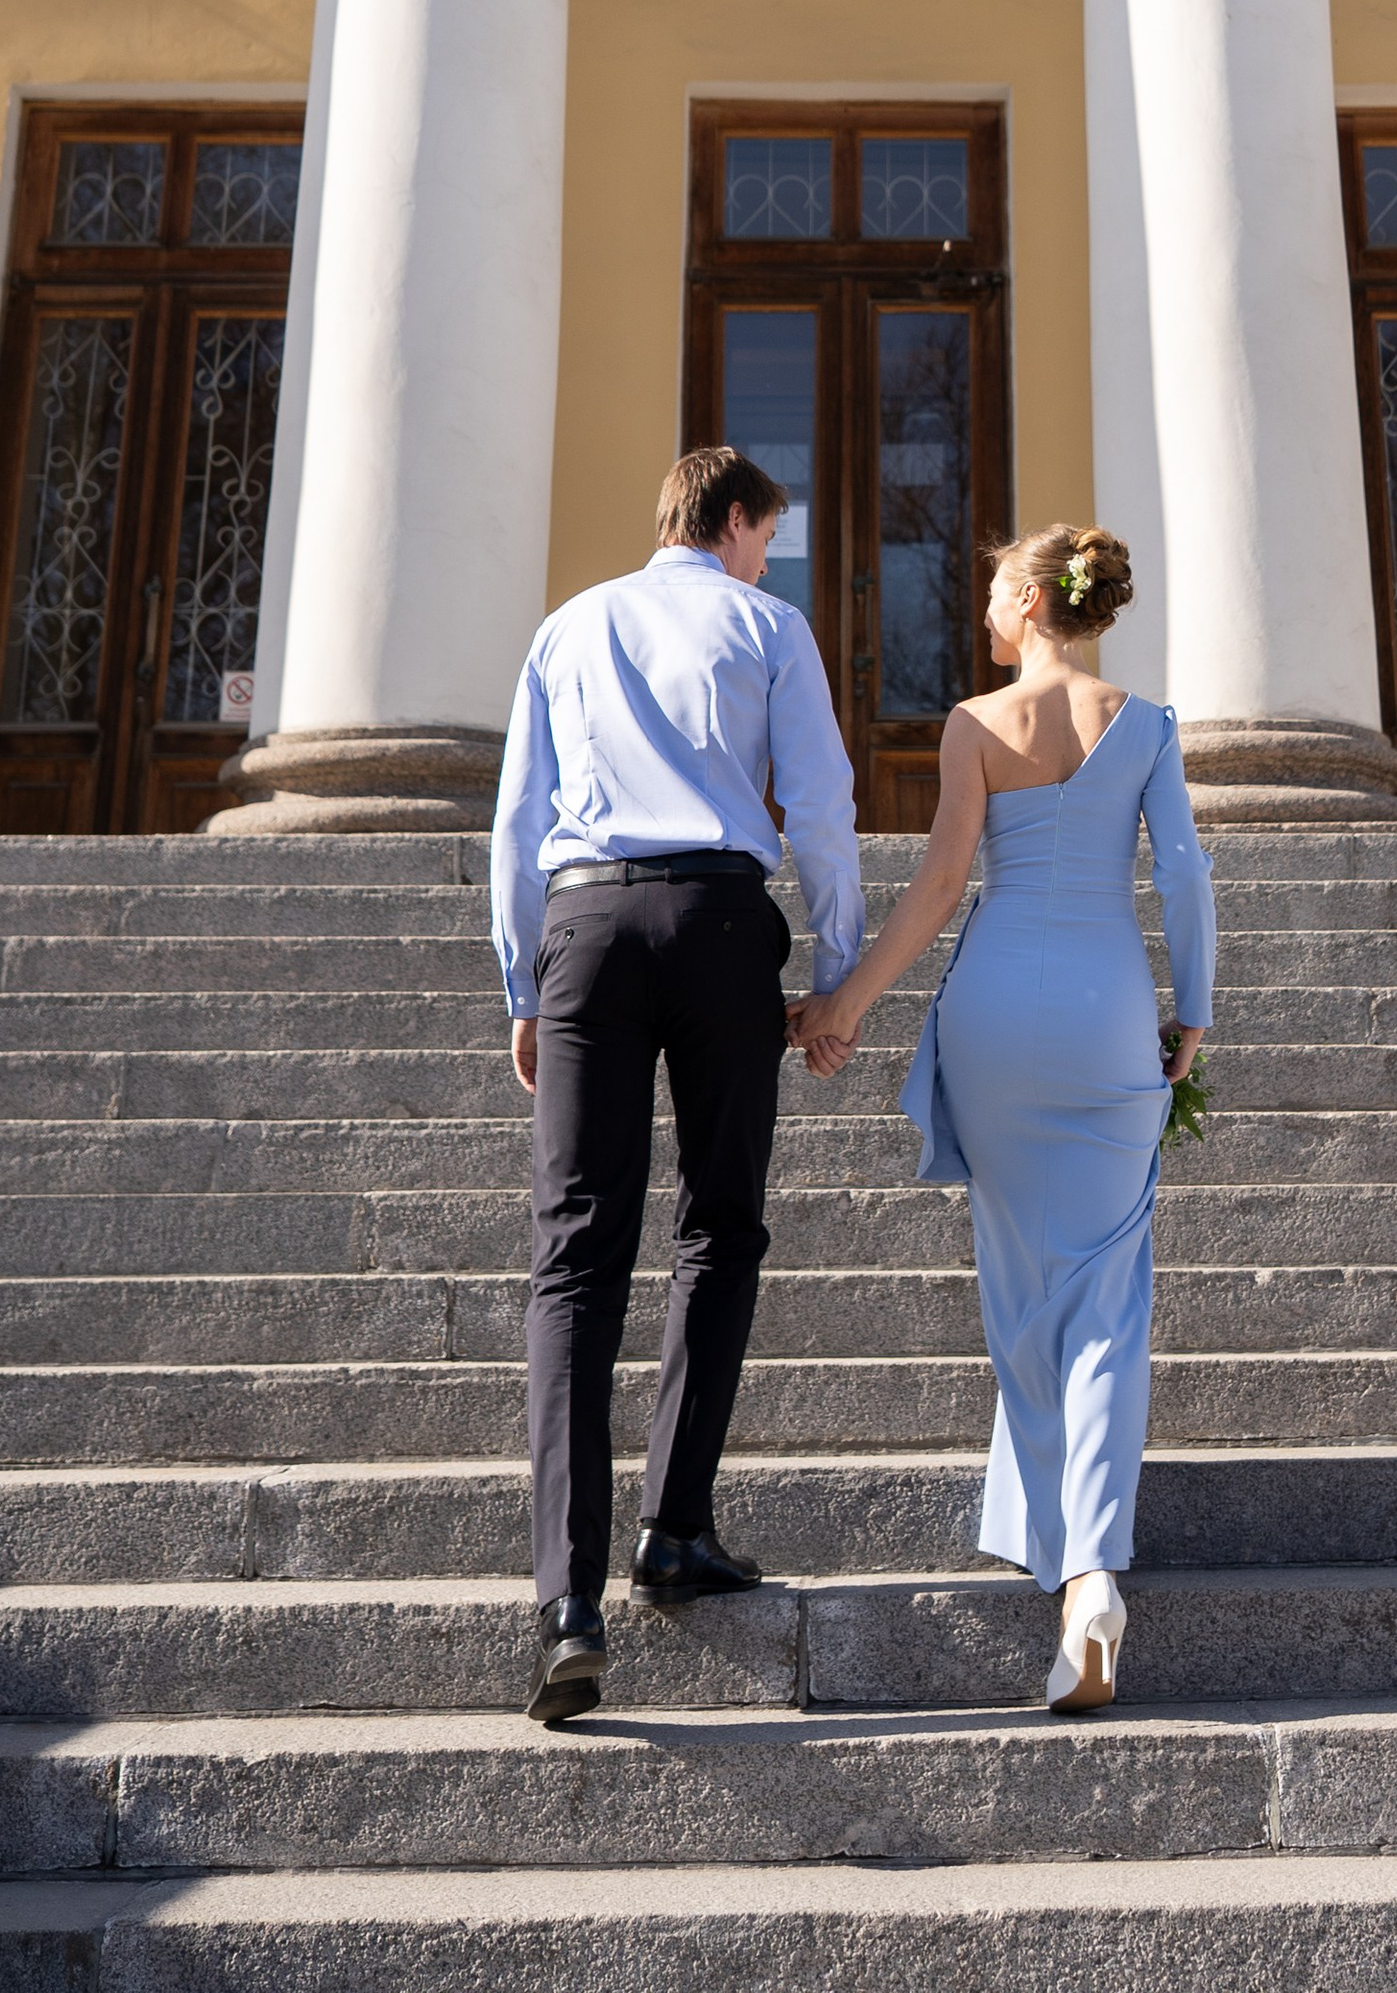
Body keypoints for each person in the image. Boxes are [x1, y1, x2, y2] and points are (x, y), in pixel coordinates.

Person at [791, 520, 1213, 1714]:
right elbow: (1181, 871)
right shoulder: (1149, 724)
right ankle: (1089, 1575)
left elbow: (937, 885)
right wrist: (1198, 1011)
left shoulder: (975, 726)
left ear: (1031, 602)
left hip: (993, 1017)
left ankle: (1068, 1569)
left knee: (1025, 1292)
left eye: (989, 594)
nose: (980, 611)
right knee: (1106, 1297)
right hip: (1105, 1015)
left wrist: (844, 1006)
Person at [490, 444, 864, 1729]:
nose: (771, 553)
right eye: (769, 532)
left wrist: (523, 986)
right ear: (739, 521)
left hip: (586, 926)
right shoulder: (766, 623)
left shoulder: (568, 624)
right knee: (721, 1225)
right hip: (716, 923)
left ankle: (565, 1603)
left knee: (574, 1253)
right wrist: (838, 972)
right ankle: (675, 1525)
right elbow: (819, 808)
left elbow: (519, 813)